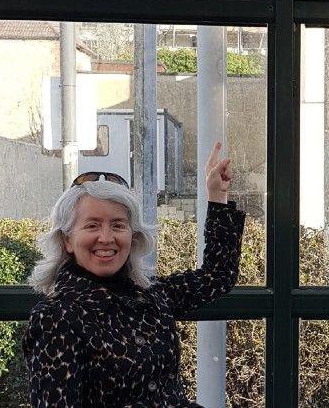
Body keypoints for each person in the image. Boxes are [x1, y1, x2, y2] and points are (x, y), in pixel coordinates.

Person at [23, 141, 246, 408]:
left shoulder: (150, 295)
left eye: (118, 225)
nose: (106, 238)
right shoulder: (57, 317)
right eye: (92, 225)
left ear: (133, 235)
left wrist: (216, 196)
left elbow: (216, 276)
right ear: (67, 240)